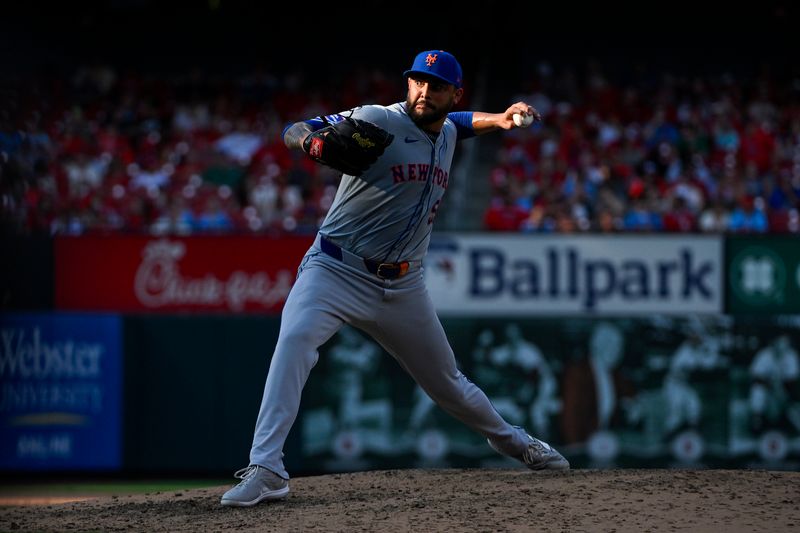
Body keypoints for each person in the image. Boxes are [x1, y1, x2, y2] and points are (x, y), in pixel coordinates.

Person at [220, 49, 569, 508]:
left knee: (447, 384)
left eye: (435, 85)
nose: (423, 92)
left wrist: (500, 120)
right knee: (295, 341)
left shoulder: (446, 130)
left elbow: (460, 123)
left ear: (453, 93)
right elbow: (294, 130)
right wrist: (315, 145)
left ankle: (516, 443)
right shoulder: (377, 120)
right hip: (335, 268)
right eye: (417, 82)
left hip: (404, 285)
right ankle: (267, 468)